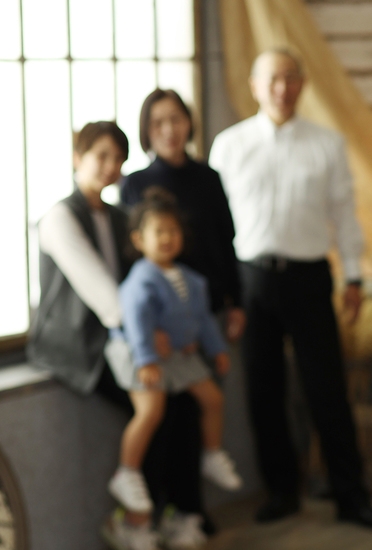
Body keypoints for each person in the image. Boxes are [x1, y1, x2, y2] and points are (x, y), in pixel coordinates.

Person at [208, 49, 372, 530]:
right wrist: (226, 295)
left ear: (302, 84)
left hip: (310, 278)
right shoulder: (228, 146)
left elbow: (345, 213)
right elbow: (216, 227)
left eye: (290, 78)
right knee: (263, 393)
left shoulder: (327, 144)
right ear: (254, 84)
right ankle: (281, 492)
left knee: (326, 390)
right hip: (251, 280)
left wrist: (353, 276)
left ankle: (351, 496)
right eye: (272, 79)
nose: (281, 88)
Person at [26, 121, 208, 550]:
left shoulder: (119, 214)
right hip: (79, 343)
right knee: (156, 400)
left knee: (182, 401)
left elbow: (149, 283)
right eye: (100, 156)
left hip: (128, 336)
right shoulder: (59, 217)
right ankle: (134, 522)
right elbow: (103, 294)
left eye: (117, 158)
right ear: (78, 158)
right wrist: (148, 338)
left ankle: (169, 513)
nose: (109, 166)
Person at [106, 188, 241, 538]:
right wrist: (147, 358)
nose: (167, 239)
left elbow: (204, 322)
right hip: (143, 355)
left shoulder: (191, 280)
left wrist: (217, 350)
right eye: (158, 232)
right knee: (151, 410)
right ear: (139, 239)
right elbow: (136, 322)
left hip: (179, 356)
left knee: (213, 398)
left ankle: (211, 453)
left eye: (173, 231)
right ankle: (127, 471)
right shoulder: (141, 279)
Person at [120, 89, 245, 341]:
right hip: (160, 314)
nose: (169, 130)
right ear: (146, 130)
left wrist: (237, 302)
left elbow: (226, 241)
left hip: (211, 306)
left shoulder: (209, 177)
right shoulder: (134, 183)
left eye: (176, 119)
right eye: (157, 123)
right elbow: (129, 256)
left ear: (189, 122)